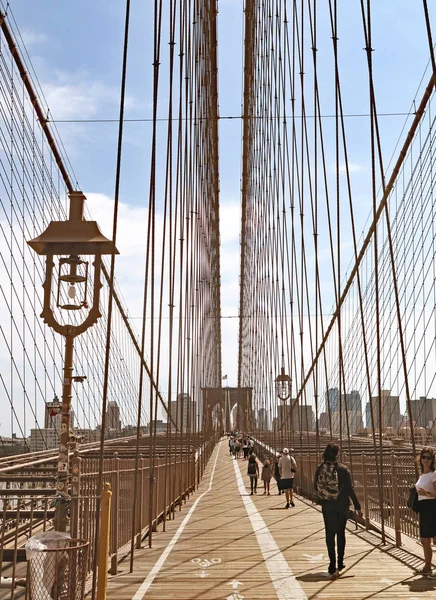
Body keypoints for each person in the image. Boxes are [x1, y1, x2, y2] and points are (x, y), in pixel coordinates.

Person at [314, 443, 362, 578]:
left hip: (327, 506)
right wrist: (357, 506)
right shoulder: (343, 469)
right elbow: (350, 489)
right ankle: (340, 563)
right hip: (342, 506)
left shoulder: (320, 468)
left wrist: (325, 496)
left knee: (329, 534)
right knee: (340, 533)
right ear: (337, 454)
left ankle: (331, 564)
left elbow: (315, 486)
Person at [415, 447, 436, 575]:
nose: (425, 460)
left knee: (433, 538)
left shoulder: (434, 474)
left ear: (432, 460)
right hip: (423, 508)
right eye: (423, 457)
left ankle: (428, 567)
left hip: (432, 507)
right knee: (424, 539)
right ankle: (427, 567)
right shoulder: (421, 474)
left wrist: (426, 493)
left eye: (428, 458)